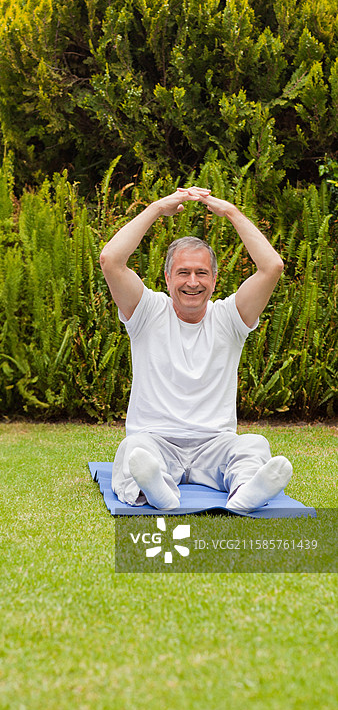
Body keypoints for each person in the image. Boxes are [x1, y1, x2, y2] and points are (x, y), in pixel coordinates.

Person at [99, 187, 293, 512]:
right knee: (134, 451)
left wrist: (231, 212)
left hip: (215, 444)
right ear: (166, 277)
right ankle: (159, 491)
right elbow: (111, 260)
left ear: (215, 280)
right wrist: (158, 208)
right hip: (155, 440)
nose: (193, 281)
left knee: (254, 445)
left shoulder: (231, 317)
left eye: (202, 273)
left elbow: (272, 266)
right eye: (183, 272)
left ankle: (247, 492)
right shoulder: (145, 311)